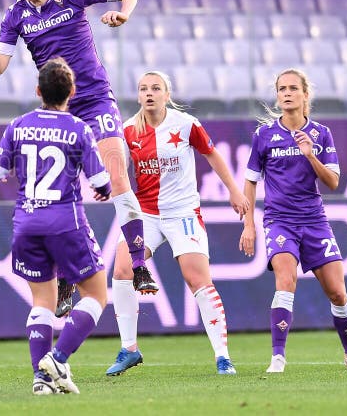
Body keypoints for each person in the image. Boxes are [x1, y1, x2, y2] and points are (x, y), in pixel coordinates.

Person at [0, 0, 158, 316]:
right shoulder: (15, 15)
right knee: (62, 194)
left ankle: (139, 265)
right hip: (59, 109)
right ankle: (70, 276)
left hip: (97, 100)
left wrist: (124, 14)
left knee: (117, 177)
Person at [106, 71, 249, 376]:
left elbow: (212, 154)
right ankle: (129, 349)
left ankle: (223, 357)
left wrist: (234, 191)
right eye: (143, 88)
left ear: (167, 94)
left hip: (183, 212)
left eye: (155, 88)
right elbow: (118, 172)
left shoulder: (186, 124)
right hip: (145, 214)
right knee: (121, 269)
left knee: (197, 279)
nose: (149, 93)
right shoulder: (128, 130)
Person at [0, 58, 111, 395]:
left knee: (42, 301)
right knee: (97, 294)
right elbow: (101, 180)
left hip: (26, 223)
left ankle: (41, 381)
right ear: (71, 92)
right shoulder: (78, 128)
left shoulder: (17, 125)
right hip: (65, 223)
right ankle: (57, 358)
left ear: (38, 91)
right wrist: (104, 188)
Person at [239, 68, 347, 373]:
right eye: (281, 89)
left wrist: (311, 156)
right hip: (279, 220)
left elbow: (334, 182)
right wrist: (248, 224)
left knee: (338, 292)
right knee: (286, 281)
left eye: (292, 88)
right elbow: (250, 181)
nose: (286, 93)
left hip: (314, 220)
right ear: (277, 95)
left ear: (304, 94)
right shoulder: (264, 135)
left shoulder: (321, 134)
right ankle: (278, 357)